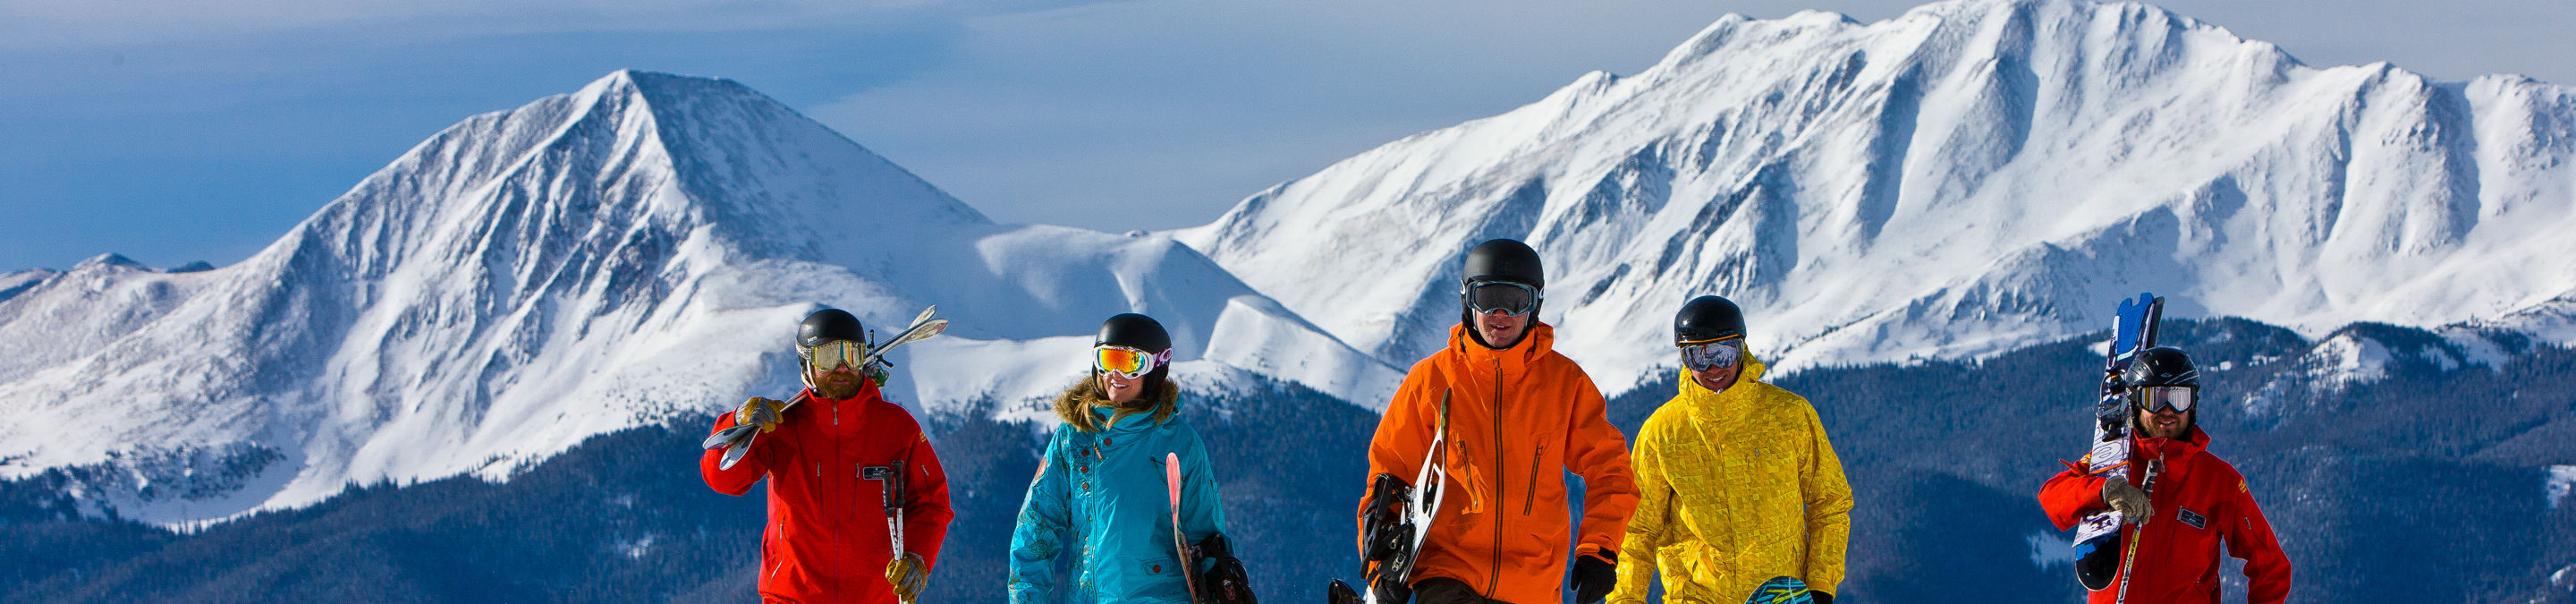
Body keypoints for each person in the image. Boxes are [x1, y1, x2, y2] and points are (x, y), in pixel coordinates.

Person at [1358, 238, 1637, 604]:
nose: (1501, 314)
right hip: (1448, 573)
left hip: (1534, 584)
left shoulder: (1564, 384)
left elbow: (1611, 469)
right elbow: (1389, 474)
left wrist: (1600, 547)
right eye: (1488, 299)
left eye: (1515, 301)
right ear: (1466, 301)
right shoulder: (1431, 380)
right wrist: (1381, 565)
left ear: (1535, 305)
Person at [1607, 295, 1852, 604]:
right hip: (1698, 596)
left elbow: (1829, 504)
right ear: (1685, 359)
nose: (1712, 368)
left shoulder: (1788, 416)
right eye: (1698, 356)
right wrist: (1626, 598)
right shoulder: (1663, 433)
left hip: (1779, 594)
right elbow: (1638, 531)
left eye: (1722, 354)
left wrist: (1820, 585)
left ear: (1740, 348)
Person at [700, 307, 954, 604]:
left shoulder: (897, 428)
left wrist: (917, 556)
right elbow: (722, 478)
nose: (843, 367)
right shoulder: (781, 425)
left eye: (853, 355)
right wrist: (737, 423)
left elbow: (932, 504)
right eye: (830, 357)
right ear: (806, 363)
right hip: (791, 598)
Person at [1009, 313, 1256, 604]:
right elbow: (1036, 529)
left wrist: (1221, 586)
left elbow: (1206, 537)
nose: (1115, 374)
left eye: (1129, 363)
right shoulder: (1074, 438)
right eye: (1107, 360)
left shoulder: (1179, 441)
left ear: (1155, 369)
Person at [2038, 346, 2293, 604]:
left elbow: (2271, 565)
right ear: (2136, 402)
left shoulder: (2219, 480)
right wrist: (2103, 491)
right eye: (2155, 399)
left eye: (2179, 398)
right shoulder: (2113, 462)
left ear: (2193, 404)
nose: (2168, 410)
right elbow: (2052, 496)